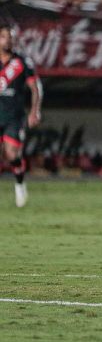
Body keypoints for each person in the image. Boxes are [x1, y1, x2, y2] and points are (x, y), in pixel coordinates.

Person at [0, 25, 41, 207]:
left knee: (10, 153)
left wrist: (34, 111)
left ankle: (19, 184)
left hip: (14, 116)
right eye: (3, 37)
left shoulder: (23, 62)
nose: (7, 40)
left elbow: (34, 88)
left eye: (9, 37)